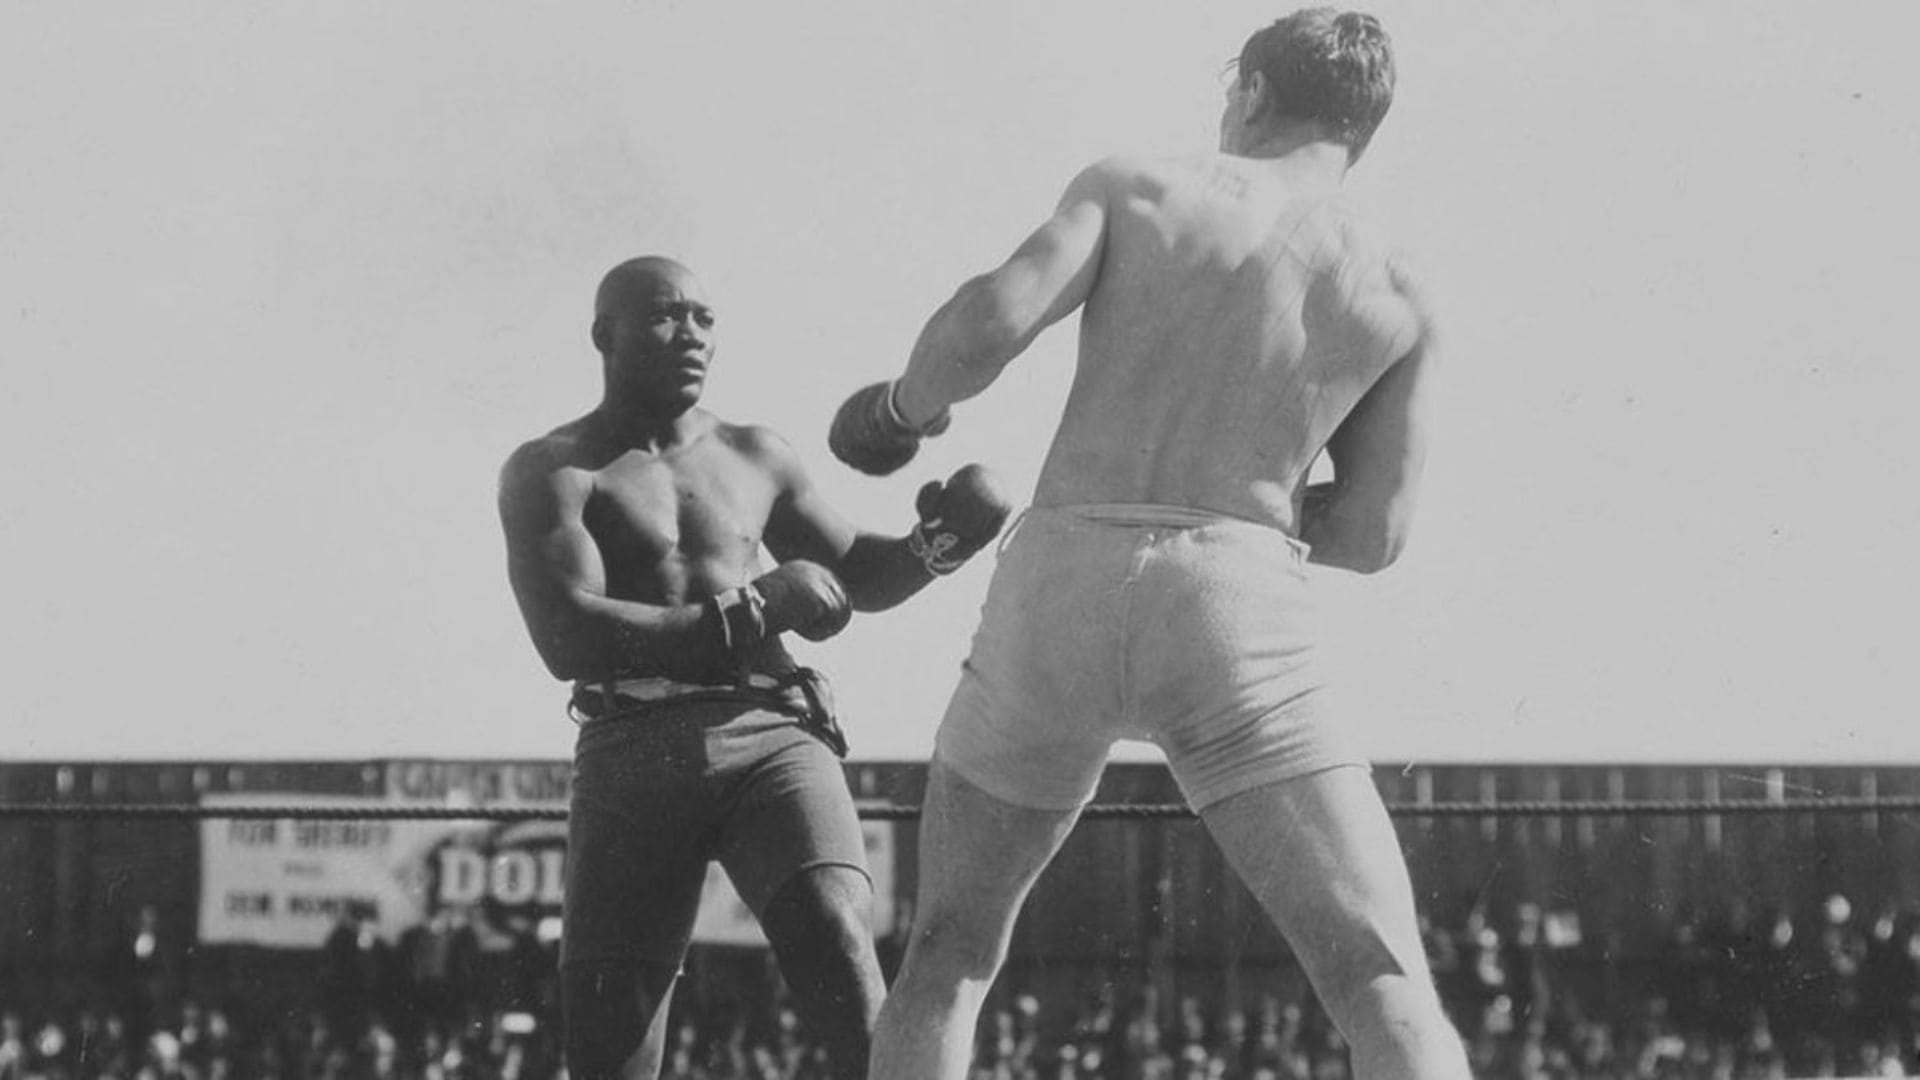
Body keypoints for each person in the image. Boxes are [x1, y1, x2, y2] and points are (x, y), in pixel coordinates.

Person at [827, 9, 1470, 1079]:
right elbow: (1373, 534)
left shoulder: (1139, 185)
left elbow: (989, 323)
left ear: (1255, 93)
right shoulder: (1400, 285)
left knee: (949, 955)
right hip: (1234, 595)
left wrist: (900, 411)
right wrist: (1248, 499)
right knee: (1375, 972)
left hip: (1061, 580)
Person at [498, 255, 1013, 1079]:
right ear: (605, 334)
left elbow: (856, 577)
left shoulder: (756, 454)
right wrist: (751, 609)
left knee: (842, 949)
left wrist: (940, 542)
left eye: (705, 317)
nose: (692, 333)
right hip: (632, 746)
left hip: (769, 733)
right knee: (609, 1051)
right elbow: (567, 636)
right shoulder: (552, 469)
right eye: (668, 315)